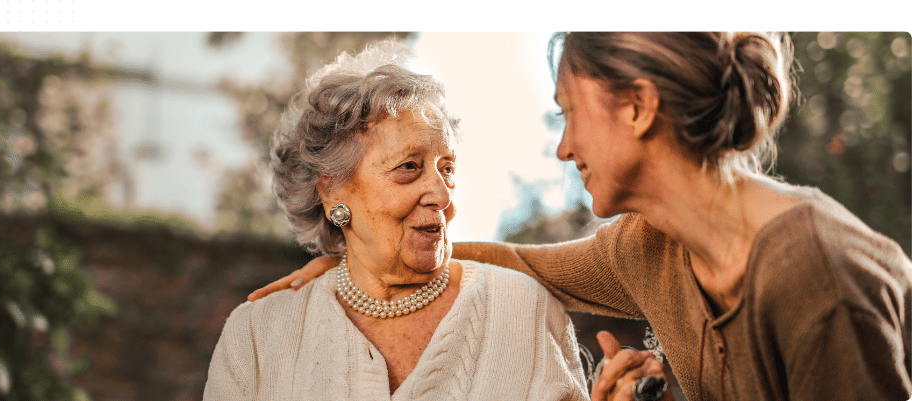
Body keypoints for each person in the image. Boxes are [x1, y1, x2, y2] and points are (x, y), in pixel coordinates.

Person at [249, 32, 912, 401]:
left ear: (637, 106)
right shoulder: (649, 247)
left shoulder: (816, 274)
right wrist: (359, 255)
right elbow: (519, 261)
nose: (564, 147)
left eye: (569, 111)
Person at [204, 41, 605, 400]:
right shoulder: (255, 337)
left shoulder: (526, 311)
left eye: (447, 168)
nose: (443, 195)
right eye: (409, 167)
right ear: (332, 192)